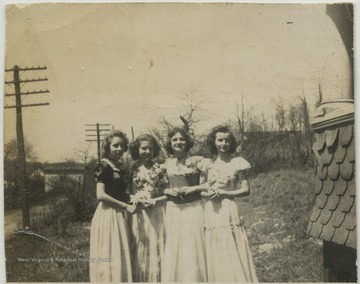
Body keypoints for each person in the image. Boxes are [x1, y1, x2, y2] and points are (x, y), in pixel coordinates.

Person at [198, 125, 258, 282]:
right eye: (220, 140)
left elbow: (245, 190)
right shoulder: (207, 164)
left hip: (228, 208)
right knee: (215, 246)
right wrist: (208, 194)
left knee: (231, 243)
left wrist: (225, 193)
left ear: (232, 143)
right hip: (212, 209)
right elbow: (201, 190)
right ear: (214, 142)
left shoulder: (237, 162)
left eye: (227, 140)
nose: (224, 144)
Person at [89, 130, 137, 282]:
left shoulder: (118, 167)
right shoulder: (104, 166)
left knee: (118, 252)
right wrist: (125, 206)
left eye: (122, 146)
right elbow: (101, 195)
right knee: (109, 251)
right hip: (107, 214)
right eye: (115, 145)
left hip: (119, 213)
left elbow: (118, 192)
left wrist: (134, 198)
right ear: (107, 147)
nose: (119, 149)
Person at [161, 127, 207, 282]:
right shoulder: (165, 164)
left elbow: (209, 184)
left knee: (193, 247)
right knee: (176, 246)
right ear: (170, 143)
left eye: (181, 139)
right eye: (175, 140)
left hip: (193, 208)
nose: (178, 142)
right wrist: (167, 191)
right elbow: (158, 188)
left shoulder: (198, 161)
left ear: (187, 142)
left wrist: (194, 188)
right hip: (173, 210)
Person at [129, 134, 168, 282]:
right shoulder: (132, 170)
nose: (147, 152)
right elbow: (128, 192)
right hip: (139, 214)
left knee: (157, 245)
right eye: (143, 148)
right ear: (137, 150)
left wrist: (155, 200)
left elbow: (167, 193)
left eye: (150, 149)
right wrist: (137, 200)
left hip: (157, 212)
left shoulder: (160, 168)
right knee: (141, 246)